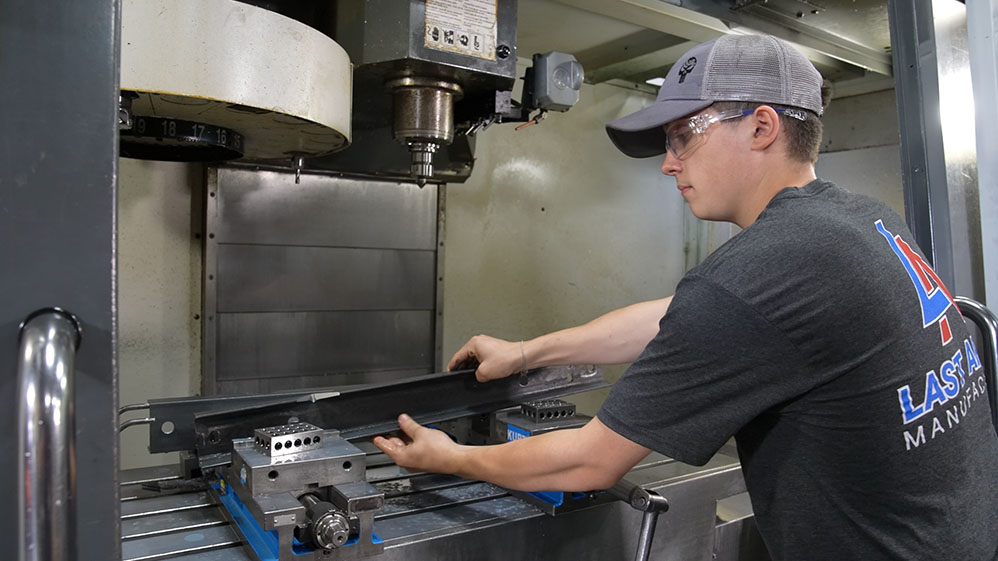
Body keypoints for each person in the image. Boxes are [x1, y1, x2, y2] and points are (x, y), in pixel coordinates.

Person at [373, 34, 998, 560]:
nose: (669, 164)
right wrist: (529, 350)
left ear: (761, 127)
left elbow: (589, 463)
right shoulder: (859, 220)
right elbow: (682, 316)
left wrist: (449, 458)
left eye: (682, 136)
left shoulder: (761, 269)